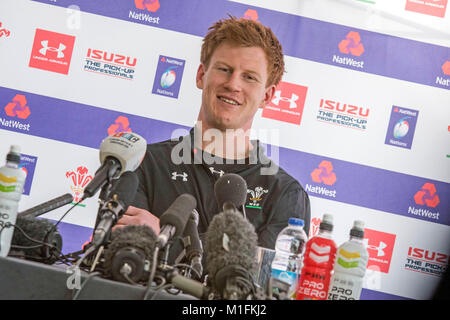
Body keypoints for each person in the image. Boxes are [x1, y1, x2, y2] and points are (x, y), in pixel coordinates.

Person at [113, 16, 311, 264]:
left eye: (249, 77)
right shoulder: (143, 163)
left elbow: (257, 279)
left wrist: (163, 240)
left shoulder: (285, 194)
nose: (233, 84)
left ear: (267, 96)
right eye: (224, 69)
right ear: (200, 75)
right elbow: (124, 258)